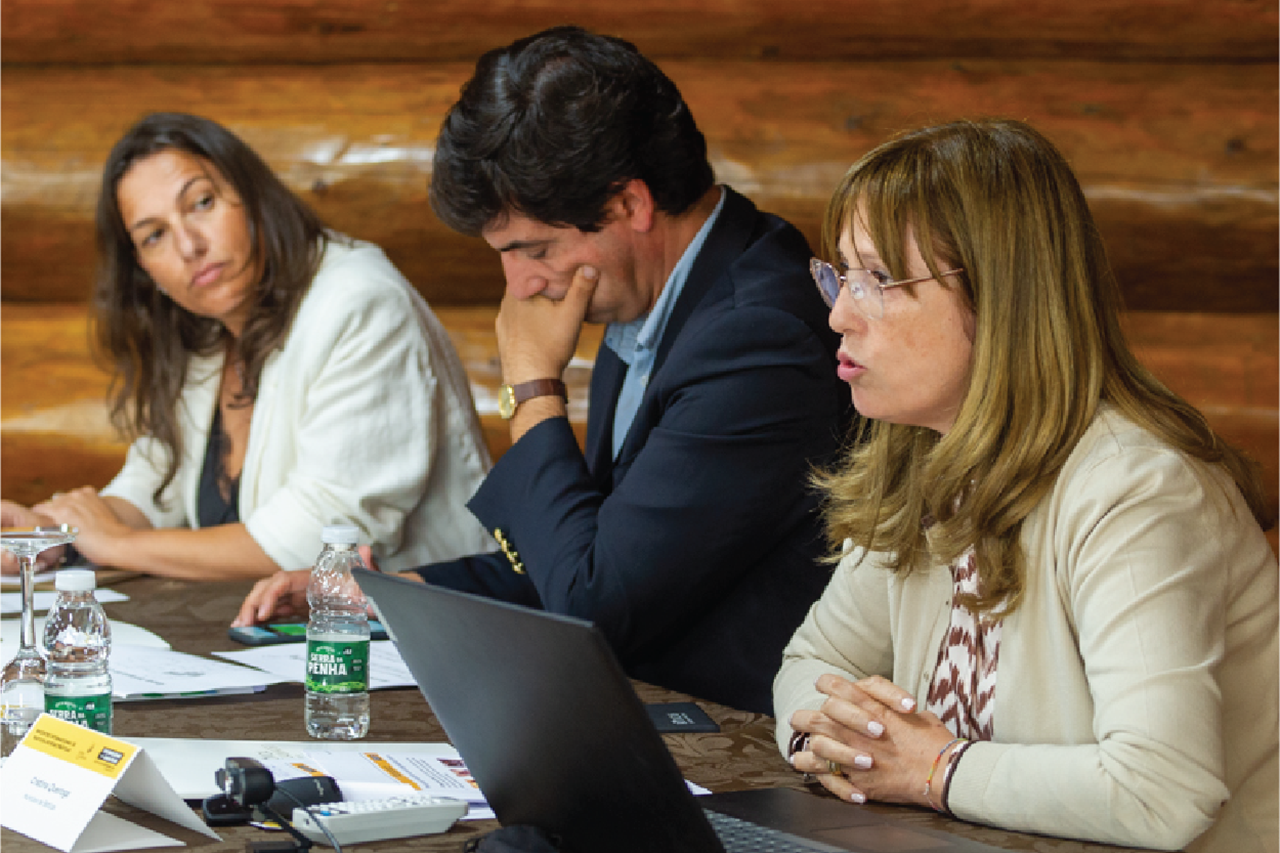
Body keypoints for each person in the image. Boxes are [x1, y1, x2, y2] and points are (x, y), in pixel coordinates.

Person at [234, 26, 854, 713]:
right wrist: (394, 592)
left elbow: (593, 601)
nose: (519, 286)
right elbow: (585, 551)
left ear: (628, 205)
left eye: (532, 248)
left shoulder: (756, 337)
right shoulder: (658, 293)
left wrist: (531, 389)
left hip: (738, 754)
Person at [774, 118, 1278, 851]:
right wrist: (835, 740)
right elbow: (812, 663)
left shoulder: (1138, 489)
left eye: (879, 279)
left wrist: (932, 770)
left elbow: (1162, 790)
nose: (839, 312)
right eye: (842, 274)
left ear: (998, 301)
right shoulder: (929, 454)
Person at [0, 112, 494, 580]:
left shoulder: (359, 303)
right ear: (144, 272)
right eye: (154, 236)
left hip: (415, 645)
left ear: (252, 193)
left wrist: (116, 546)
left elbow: (324, 537)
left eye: (202, 203)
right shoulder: (207, 331)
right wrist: (48, 533)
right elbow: (153, 490)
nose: (189, 246)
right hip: (276, 643)